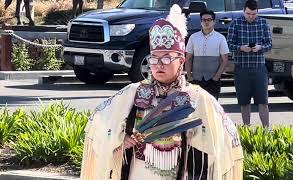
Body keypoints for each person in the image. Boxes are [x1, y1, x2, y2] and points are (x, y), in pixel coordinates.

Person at [80, 4, 243, 180]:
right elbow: (100, 121)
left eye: (166, 58)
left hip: (181, 172)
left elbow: (226, 135)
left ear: (181, 61)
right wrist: (121, 138)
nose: (159, 64)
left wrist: (196, 136)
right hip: (139, 172)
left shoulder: (197, 97)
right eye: (154, 58)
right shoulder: (133, 92)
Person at [227, 0, 272, 128]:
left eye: (253, 14)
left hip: (259, 67)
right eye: (248, 14)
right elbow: (229, 44)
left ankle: (266, 130)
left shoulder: (263, 23)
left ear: (257, 12)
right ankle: (247, 130)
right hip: (242, 68)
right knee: (244, 102)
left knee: (263, 102)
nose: (251, 16)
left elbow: (269, 44)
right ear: (243, 11)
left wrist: (260, 47)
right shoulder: (235, 23)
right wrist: (241, 48)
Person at [185, 10, 229, 100]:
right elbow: (188, 58)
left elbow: (225, 60)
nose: (206, 22)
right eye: (204, 20)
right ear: (201, 22)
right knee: (196, 108)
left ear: (214, 22)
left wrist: (217, 77)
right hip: (196, 80)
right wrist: (189, 76)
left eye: (209, 19)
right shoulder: (193, 37)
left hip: (213, 80)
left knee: (212, 108)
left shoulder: (220, 38)